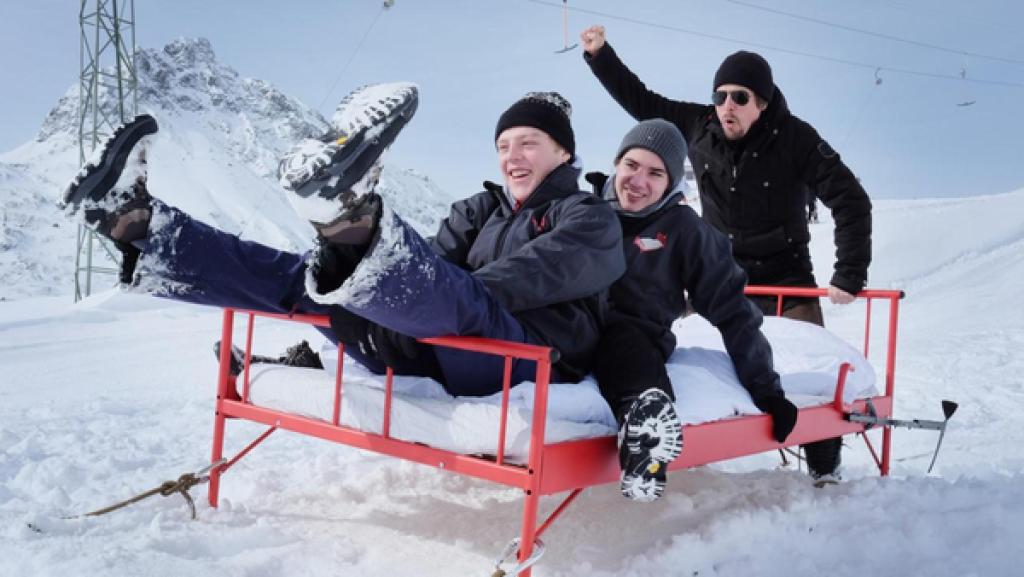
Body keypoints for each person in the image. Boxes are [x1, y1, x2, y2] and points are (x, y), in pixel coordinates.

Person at [60, 84, 625, 398]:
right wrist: (372, 295)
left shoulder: (590, 217)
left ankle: (349, 219)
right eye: (504, 145)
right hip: (435, 349)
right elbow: (433, 266)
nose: (512, 157)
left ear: (564, 153)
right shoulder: (479, 210)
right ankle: (141, 225)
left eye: (528, 143)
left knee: (450, 294)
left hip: (531, 359)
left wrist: (409, 299)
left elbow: (522, 282)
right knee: (310, 277)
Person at [580, 25, 872, 485]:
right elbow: (643, 104)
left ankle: (823, 466)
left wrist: (849, 272)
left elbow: (850, 198)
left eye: (739, 97)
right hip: (714, 273)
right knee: (649, 335)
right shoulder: (701, 126)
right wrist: (599, 55)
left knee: (806, 365)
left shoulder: (796, 138)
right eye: (720, 96)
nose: (726, 106)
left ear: (764, 103)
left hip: (785, 277)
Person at [587, 119, 798, 502]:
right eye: (632, 165)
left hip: (633, 334)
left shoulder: (685, 229)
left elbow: (733, 309)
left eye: (655, 173)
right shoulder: (584, 209)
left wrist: (768, 391)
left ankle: (646, 431)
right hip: (572, 326)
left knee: (627, 348)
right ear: (617, 163)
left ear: (671, 183)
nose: (638, 180)